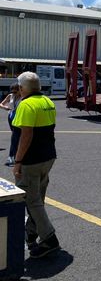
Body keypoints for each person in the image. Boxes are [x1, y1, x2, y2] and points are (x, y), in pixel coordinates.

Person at [12, 71, 60, 258]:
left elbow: (26, 135)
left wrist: (17, 162)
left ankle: (49, 239)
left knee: (30, 200)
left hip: (31, 161)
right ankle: (31, 233)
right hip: (48, 158)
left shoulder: (27, 104)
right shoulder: (48, 102)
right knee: (37, 198)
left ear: (23, 88)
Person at [0, 83, 21, 166]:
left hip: (19, 117)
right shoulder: (10, 96)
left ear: (20, 90)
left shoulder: (24, 97)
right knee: (15, 135)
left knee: (16, 137)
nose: (14, 93)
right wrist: (4, 107)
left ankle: (12, 156)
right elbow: (1, 104)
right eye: (12, 92)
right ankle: (14, 156)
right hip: (11, 116)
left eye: (15, 92)